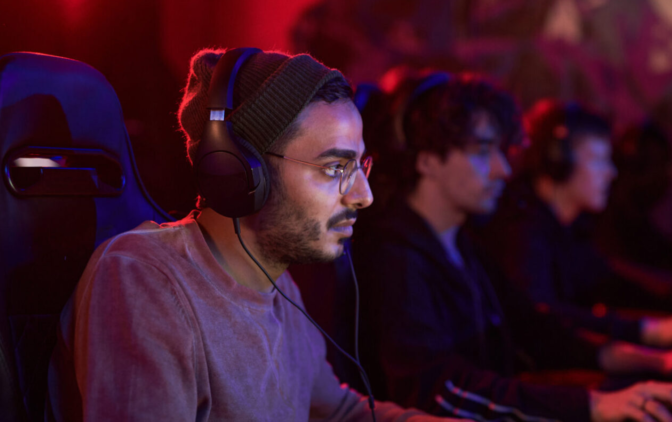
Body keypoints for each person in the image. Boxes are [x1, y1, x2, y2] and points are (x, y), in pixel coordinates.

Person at [47, 49, 448, 421]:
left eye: (360, 166)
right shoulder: (144, 279)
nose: (364, 195)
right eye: (335, 168)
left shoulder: (279, 285)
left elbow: (341, 412)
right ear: (240, 172)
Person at [355, 72, 672, 422]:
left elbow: (537, 330)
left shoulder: (461, 244)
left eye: (500, 151)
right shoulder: (395, 258)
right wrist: (593, 405)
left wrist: (657, 362)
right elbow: (436, 391)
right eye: (482, 151)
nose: (502, 169)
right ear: (427, 160)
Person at [486, 100, 672, 349]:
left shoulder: (568, 226)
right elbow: (544, 318)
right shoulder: (520, 229)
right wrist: (653, 331)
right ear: (558, 161)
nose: (611, 173)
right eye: (598, 160)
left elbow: (609, 283)